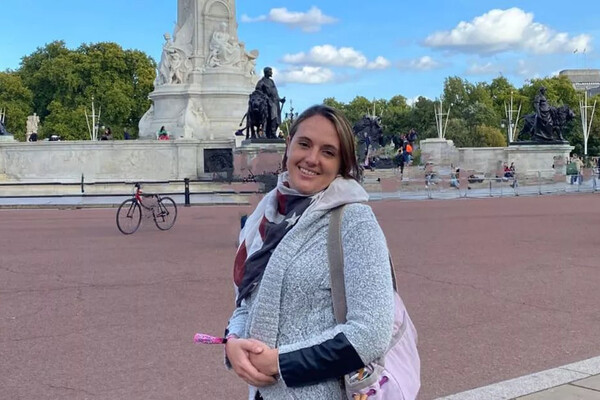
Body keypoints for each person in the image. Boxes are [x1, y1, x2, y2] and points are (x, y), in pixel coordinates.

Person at [224, 104, 396, 399]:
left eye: (328, 152)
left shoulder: (355, 221)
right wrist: (233, 341)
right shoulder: (268, 214)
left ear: (341, 163)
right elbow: (246, 302)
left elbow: (371, 332)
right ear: (289, 145)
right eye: (304, 144)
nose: (312, 159)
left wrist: (280, 363)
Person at [255, 67, 286, 138]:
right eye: (270, 71)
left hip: (275, 102)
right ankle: (272, 133)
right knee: (273, 116)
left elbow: (275, 93)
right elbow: (257, 92)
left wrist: (280, 99)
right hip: (268, 102)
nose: (272, 73)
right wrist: (265, 98)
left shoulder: (272, 81)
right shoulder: (261, 82)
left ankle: (273, 133)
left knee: (277, 119)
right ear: (266, 72)